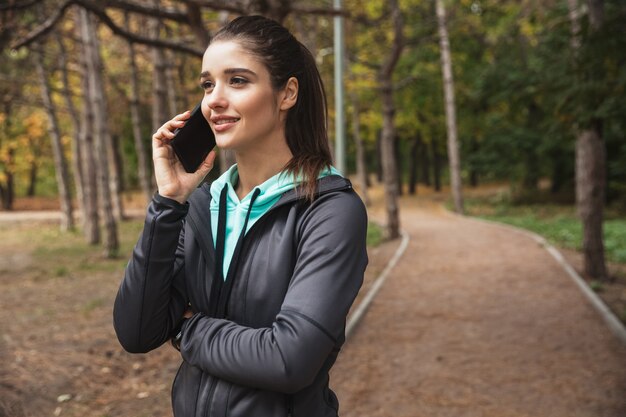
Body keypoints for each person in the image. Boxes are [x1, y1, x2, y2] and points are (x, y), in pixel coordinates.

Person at [113, 15, 368, 417]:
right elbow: (137, 332)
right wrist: (168, 203)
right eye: (207, 84)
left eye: (238, 81)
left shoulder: (330, 211)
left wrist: (189, 329)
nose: (213, 99)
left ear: (287, 94)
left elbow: (288, 360)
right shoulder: (202, 205)